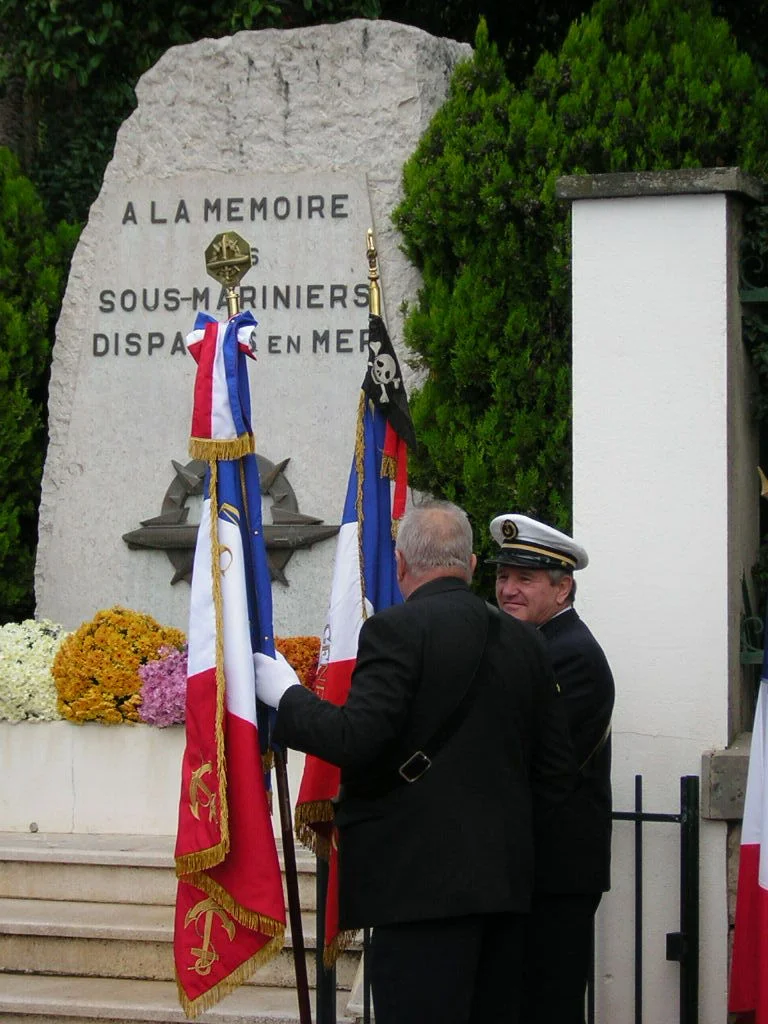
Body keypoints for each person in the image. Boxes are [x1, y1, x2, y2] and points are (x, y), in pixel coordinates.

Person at [254, 500, 575, 1024]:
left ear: (400, 565)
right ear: (471, 566)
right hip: (505, 891)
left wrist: (288, 695)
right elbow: (556, 774)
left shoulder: (395, 631)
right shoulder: (527, 642)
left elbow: (355, 737)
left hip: (417, 894)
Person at [487, 512, 615, 1024]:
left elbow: (528, 759)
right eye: (502, 576)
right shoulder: (531, 646)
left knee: (547, 1006)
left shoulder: (572, 655)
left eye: (525, 579)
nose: (508, 590)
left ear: (563, 589)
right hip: (525, 871)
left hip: (555, 876)